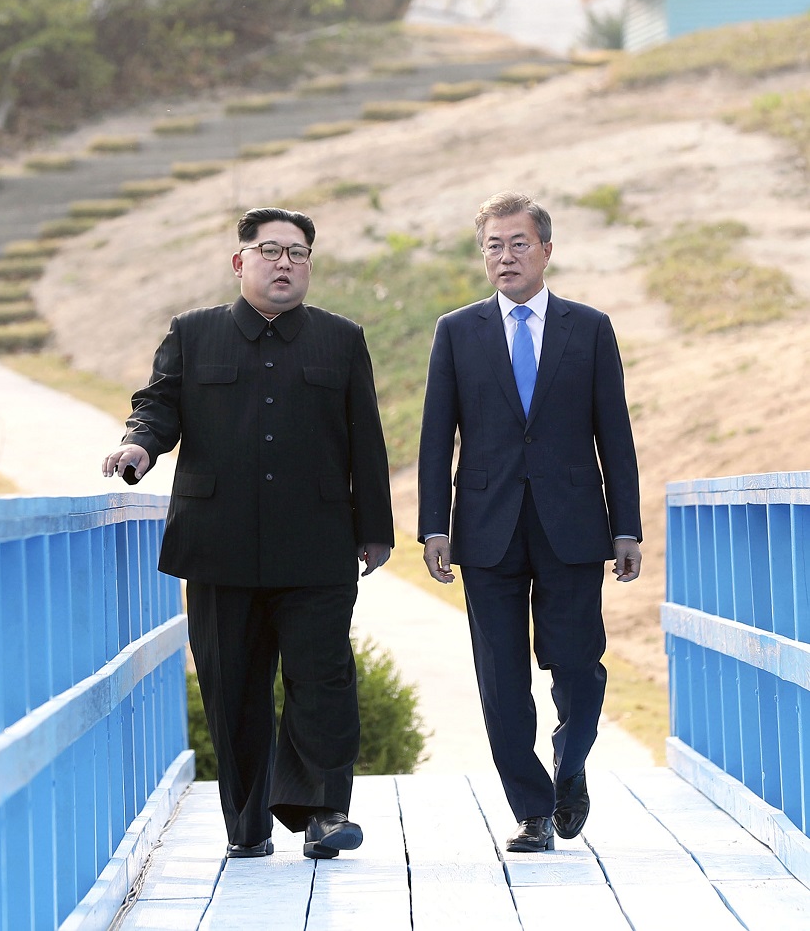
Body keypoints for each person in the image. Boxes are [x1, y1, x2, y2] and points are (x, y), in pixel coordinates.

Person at [103, 207, 393, 860]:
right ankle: (248, 823)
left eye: (298, 252)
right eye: (270, 250)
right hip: (218, 544)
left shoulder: (341, 339)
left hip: (317, 543)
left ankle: (322, 813)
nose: (284, 262)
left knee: (323, 679)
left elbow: (365, 439)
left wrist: (375, 528)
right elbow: (158, 406)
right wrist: (139, 446)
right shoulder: (193, 333)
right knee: (231, 686)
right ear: (241, 262)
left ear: (309, 265)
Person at [417, 190, 641, 853]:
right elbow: (436, 438)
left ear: (546, 250)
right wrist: (434, 526)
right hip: (486, 528)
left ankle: (570, 765)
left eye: (519, 243)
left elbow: (615, 434)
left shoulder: (589, 328)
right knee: (501, 678)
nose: (506, 256)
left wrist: (625, 526)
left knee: (578, 665)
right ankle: (533, 810)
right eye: (494, 245)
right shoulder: (456, 331)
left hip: (572, 525)